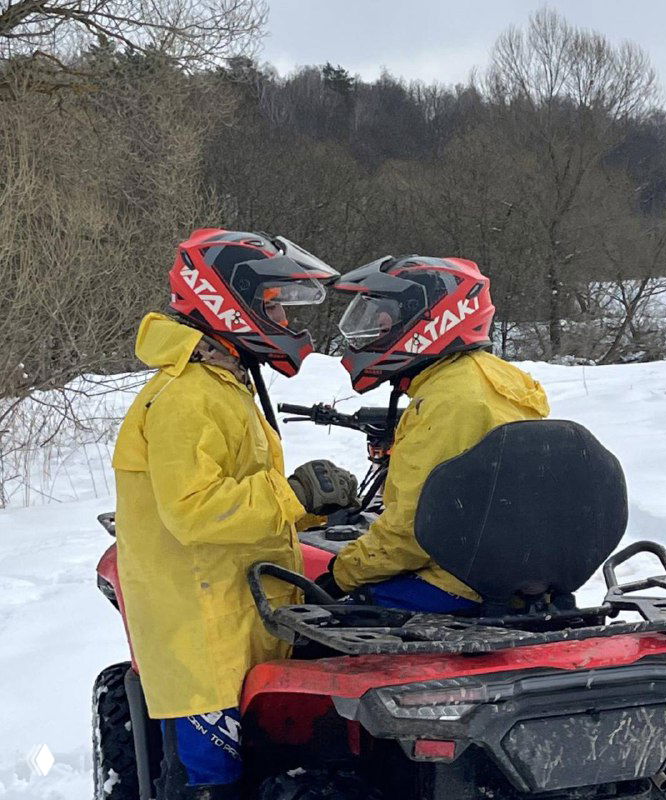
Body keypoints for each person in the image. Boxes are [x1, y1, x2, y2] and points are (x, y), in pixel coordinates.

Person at [112, 229, 358, 800]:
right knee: (214, 783)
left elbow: (241, 497)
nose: (281, 317)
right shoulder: (185, 397)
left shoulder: (223, 382)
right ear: (229, 302)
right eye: (271, 303)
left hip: (235, 612)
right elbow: (194, 511)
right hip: (202, 636)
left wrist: (314, 512)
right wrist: (293, 494)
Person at [315, 255, 550, 613]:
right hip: (510, 574)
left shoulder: (449, 402)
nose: (378, 325)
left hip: (457, 585)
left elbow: (413, 531)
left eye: (386, 316)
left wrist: (341, 575)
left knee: (311, 618)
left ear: (430, 321)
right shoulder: (499, 381)